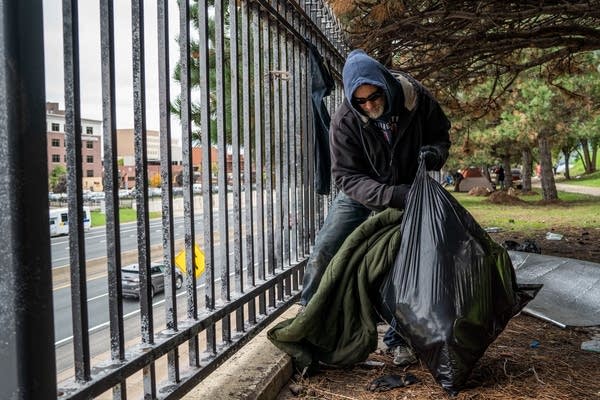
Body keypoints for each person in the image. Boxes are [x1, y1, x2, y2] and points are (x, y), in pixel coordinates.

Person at [299, 49, 451, 366]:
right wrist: (391, 195)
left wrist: (435, 153)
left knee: (410, 260)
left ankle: (399, 339)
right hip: (363, 191)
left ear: (385, 85)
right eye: (362, 102)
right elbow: (345, 177)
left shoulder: (415, 98)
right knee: (325, 251)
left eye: (374, 97)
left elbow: (441, 134)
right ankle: (308, 329)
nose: (369, 105)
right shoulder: (345, 120)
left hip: (409, 189)